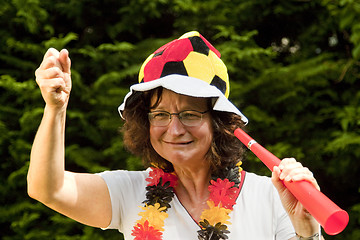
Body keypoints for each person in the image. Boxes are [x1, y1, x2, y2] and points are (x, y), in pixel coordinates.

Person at [28, 31, 322, 239]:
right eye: (160, 115)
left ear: (218, 122)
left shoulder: (272, 197)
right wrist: (56, 109)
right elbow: (47, 189)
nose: (175, 128)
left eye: (190, 114)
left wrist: (307, 231)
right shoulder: (130, 193)